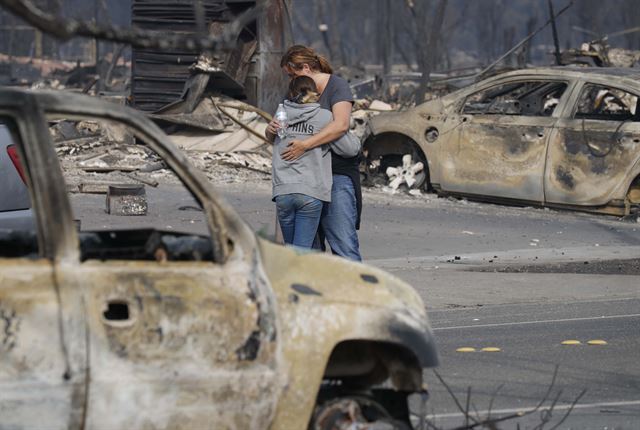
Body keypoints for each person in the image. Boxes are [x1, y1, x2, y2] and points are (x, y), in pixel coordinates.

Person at [267, 45, 362, 261]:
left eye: (292, 74)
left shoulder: (337, 86)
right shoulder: (295, 92)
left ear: (307, 68)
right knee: (310, 249)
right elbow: (280, 131)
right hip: (306, 179)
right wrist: (270, 129)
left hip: (335, 175)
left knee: (342, 243)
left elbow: (341, 125)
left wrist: (306, 144)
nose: (290, 80)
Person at [268, 76, 333, 248]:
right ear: (314, 93)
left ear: (291, 92)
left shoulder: (281, 114)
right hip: (310, 192)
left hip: (283, 190)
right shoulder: (325, 117)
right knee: (301, 252)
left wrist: (268, 130)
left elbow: (272, 139)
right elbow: (346, 146)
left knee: (291, 250)